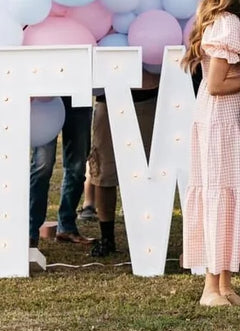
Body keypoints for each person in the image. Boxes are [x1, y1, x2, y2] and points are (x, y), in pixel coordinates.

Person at [180, 0, 240, 307]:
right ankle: (210, 288)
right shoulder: (227, 25)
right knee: (219, 195)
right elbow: (215, 84)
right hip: (219, 122)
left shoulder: (231, 23)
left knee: (231, 196)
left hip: (228, 121)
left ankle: (225, 284)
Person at [85, 69, 158, 257]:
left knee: (147, 172)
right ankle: (107, 237)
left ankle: (145, 235)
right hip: (107, 99)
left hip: (146, 96)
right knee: (104, 170)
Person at [27, 97, 93, 250]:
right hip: (46, 97)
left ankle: (67, 226)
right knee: (42, 166)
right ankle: (31, 231)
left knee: (77, 169)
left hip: (78, 97)